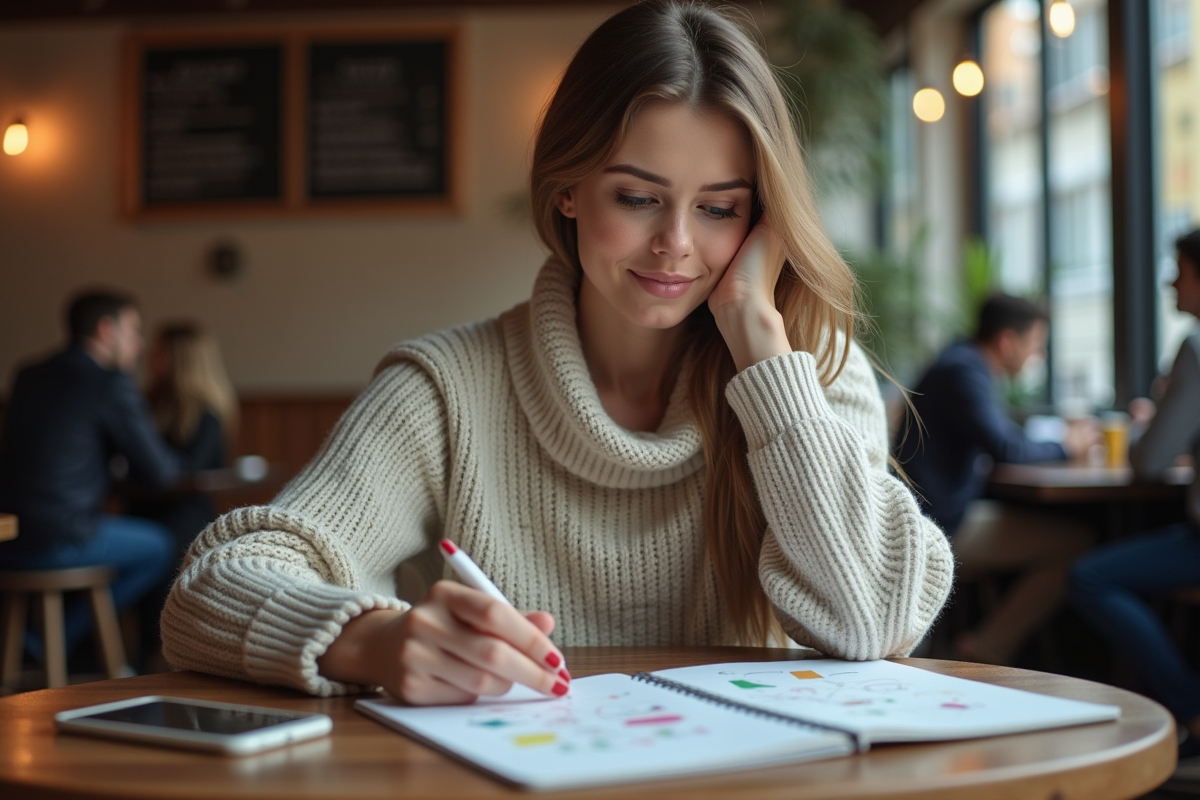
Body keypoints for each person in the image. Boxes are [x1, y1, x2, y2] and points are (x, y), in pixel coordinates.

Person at [161, 0, 954, 703]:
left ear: (764, 220)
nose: (676, 245)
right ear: (568, 189)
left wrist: (759, 337)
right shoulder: (444, 391)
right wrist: (375, 641)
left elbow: (876, 620)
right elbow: (210, 589)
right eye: (638, 197)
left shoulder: (808, 370)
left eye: (719, 208)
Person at [896, 294, 1097, 665]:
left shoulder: (961, 362)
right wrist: (1067, 445)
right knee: (1076, 543)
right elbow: (1007, 447)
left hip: (937, 514)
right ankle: (986, 647)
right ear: (1008, 341)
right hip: (938, 528)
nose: (1038, 356)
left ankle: (986, 644)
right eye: (1036, 345)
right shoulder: (965, 371)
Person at [1070, 228, 1200, 777]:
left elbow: (1148, 462)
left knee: (1089, 576)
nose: (1170, 280)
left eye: (1179, 269)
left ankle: (1190, 708)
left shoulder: (1196, 345)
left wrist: (1160, 417)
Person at [0, 289, 177, 662]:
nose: (140, 344)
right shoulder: (108, 382)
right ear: (105, 330)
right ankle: (51, 643)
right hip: (64, 536)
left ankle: (45, 645)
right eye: (133, 331)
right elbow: (161, 471)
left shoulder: (27, 374)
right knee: (160, 545)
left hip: (10, 536)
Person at [127, 322, 239, 561]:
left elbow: (191, 469)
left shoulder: (207, 412)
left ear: (180, 359)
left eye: (158, 352)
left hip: (181, 516)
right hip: (141, 507)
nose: (149, 356)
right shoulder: (146, 401)